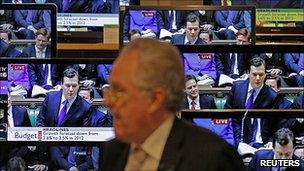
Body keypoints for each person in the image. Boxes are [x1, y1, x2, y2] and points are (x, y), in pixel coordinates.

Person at [101, 38, 245, 171]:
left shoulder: (215, 158)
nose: (108, 101)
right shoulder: (112, 151)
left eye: (119, 91)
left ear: (155, 100)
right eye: (109, 89)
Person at [225, 57, 279, 149]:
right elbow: (227, 114)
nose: (258, 78)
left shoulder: (272, 96)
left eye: (261, 74)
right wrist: (236, 141)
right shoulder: (237, 88)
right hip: (237, 139)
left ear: (265, 74)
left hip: (261, 143)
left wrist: (271, 140)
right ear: (248, 73)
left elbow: (274, 125)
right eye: (254, 74)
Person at [183, 74, 234, 145]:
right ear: (184, 90)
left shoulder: (209, 101)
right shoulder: (180, 105)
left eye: (195, 86)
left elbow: (215, 123)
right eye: (190, 88)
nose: (193, 89)